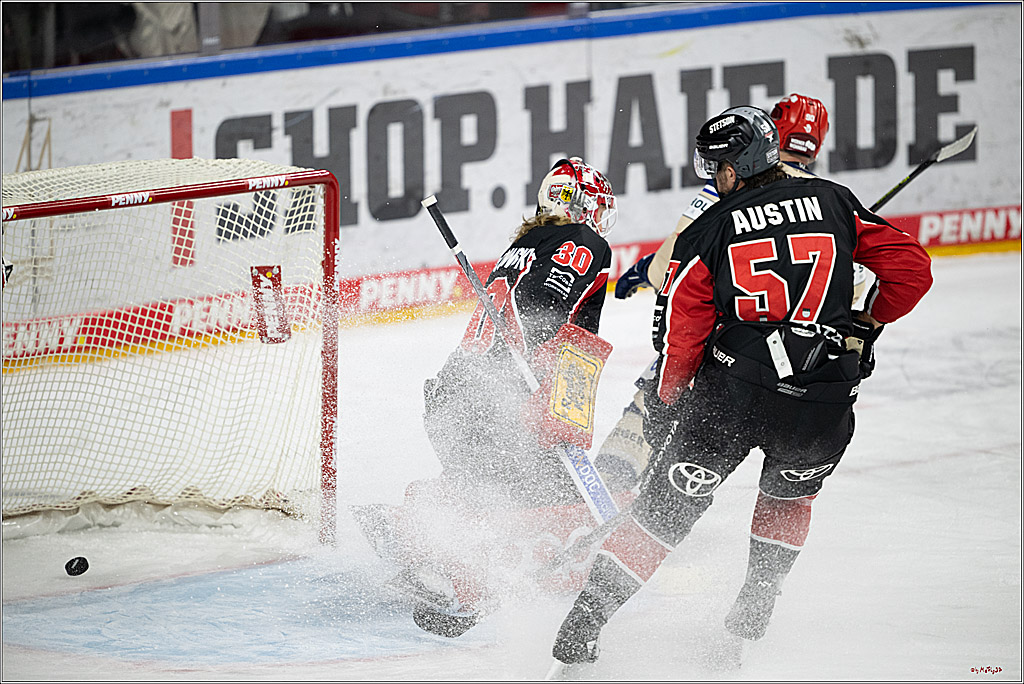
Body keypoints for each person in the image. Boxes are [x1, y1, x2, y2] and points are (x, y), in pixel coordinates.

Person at [550, 106, 932, 664]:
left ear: (733, 168)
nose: (713, 176)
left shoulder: (713, 224)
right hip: (821, 401)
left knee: (663, 514)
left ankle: (586, 622)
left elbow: (684, 321)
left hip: (732, 396)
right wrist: (869, 319)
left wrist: (670, 394)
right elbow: (913, 269)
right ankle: (757, 602)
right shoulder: (836, 201)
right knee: (789, 497)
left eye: (715, 166)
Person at [354, 156, 620, 638]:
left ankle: (415, 524)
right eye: (596, 207)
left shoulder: (525, 244)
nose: (600, 218)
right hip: (497, 403)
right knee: (541, 496)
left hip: (453, 395)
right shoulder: (584, 241)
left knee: (487, 485)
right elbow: (540, 307)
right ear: (579, 205)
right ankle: (450, 566)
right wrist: (542, 386)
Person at [597, 93, 842, 490]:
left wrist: (647, 269)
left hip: (727, 343)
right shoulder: (824, 197)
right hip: (799, 366)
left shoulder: (731, 185)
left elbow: (676, 263)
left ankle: (619, 475)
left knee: (665, 390)